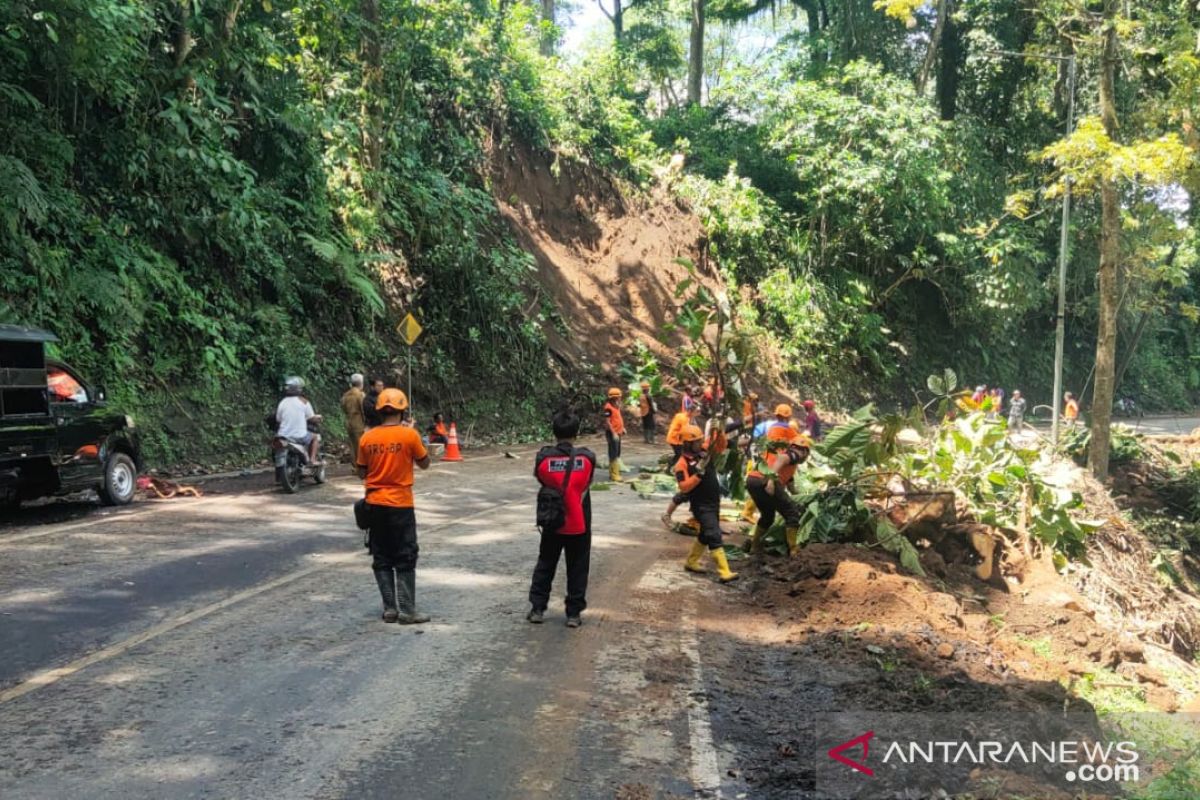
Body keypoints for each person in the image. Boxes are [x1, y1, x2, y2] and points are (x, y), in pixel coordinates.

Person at [357, 388, 432, 624]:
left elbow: (361, 471)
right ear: (403, 410)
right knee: (406, 555)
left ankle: (389, 608)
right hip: (401, 504)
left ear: (379, 411)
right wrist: (412, 435)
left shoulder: (367, 438)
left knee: (381, 555)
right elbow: (425, 463)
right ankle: (408, 611)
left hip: (374, 504)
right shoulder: (409, 436)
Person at [528, 408, 597, 628]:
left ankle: (538, 608)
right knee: (577, 567)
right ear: (576, 432)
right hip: (578, 523)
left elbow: (541, 479)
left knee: (545, 564)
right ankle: (573, 614)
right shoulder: (586, 459)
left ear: (554, 431)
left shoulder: (543, 460)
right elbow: (586, 483)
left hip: (552, 522)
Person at [674, 425, 738, 583]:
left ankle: (691, 562)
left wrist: (720, 430)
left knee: (704, 534)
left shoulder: (704, 451)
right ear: (688, 444)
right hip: (701, 505)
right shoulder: (681, 464)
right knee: (714, 534)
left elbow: (719, 445)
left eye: (700, 440)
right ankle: (724, 572)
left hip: (713, 502)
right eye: (696, 442)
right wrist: (698, 475)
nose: (699, 443)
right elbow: (683, 487)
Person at [746, 429, 812, 556]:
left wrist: (805, 499)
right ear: (804, 451)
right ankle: (794, 550)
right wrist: (770, 480)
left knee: (767, 515)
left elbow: (792, 489)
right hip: (765, 480)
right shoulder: (794, 454)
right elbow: (782, 459)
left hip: (752, 480)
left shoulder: (790, 466)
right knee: (792, 513)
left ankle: (755, 547)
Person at [275, 376, 322, 474]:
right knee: (315, 437)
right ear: (299, 388)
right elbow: (311, 417)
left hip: (283, 436)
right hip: (299, 436)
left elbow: (278, 419)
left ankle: (279, 473)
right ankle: (312, 460)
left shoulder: (282, 403)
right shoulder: (303, 401)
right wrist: (318, 418)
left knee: (276, 449)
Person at [340, 374, 367, 460]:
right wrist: (366, 422)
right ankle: (361, 465)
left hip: (349, 421)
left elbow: (343, 407)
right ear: (361, 383)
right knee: (360, 444)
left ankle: (354, 466)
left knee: (352, 445)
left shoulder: (345, 395)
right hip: (358, 422)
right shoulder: (360, 395)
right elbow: (363, 409)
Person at [602, 387, 626, 482]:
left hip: (618, 432)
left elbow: (617, 418)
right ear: (614, 398)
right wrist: (613, 433)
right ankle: (614, 474)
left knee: (617, 452)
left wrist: (622, 428)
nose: (620, 398)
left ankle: (614, 471)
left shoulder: (616, 405)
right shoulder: (608, 407)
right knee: (613, 453)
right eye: (619, 397)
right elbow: (607, 422)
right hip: (612, 433)